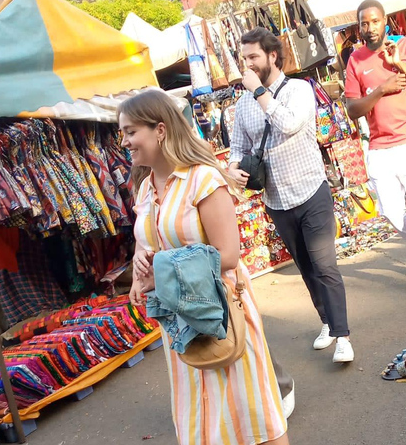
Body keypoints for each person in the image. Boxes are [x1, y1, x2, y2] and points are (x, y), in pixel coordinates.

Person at [120, 90, 289, 445]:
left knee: (251, 412)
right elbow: (149, 241)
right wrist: (140, 267)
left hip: (221, 308)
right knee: (203, 418)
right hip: (179, 321)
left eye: (131, 131)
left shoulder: (203, 179)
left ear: (160, 130)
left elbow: (227, 254)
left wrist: (162, 268)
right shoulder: (145, 190)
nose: (125, 142)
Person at [227, 27, 354, 364]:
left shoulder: (298, 89)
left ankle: (343, 336)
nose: (248, 65)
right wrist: (232, 167)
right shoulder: (243, 105)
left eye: (253, 57)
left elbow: (290, 124)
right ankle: (326, 322)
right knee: (306, 268)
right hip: (276, 201)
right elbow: (237, 147)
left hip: (311, 191)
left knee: (325, 264)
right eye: (244, 59)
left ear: (272, 55)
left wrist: (259, 93)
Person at [344, 0, 406, 298]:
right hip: (380, 146)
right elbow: (352, 109)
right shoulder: (355, 61)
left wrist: (399, 65)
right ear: (359, 27)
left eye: (374, 21)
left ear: (385, 21)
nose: (369, 28)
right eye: (364, 23)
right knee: (390, 212)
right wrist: (381, 89)